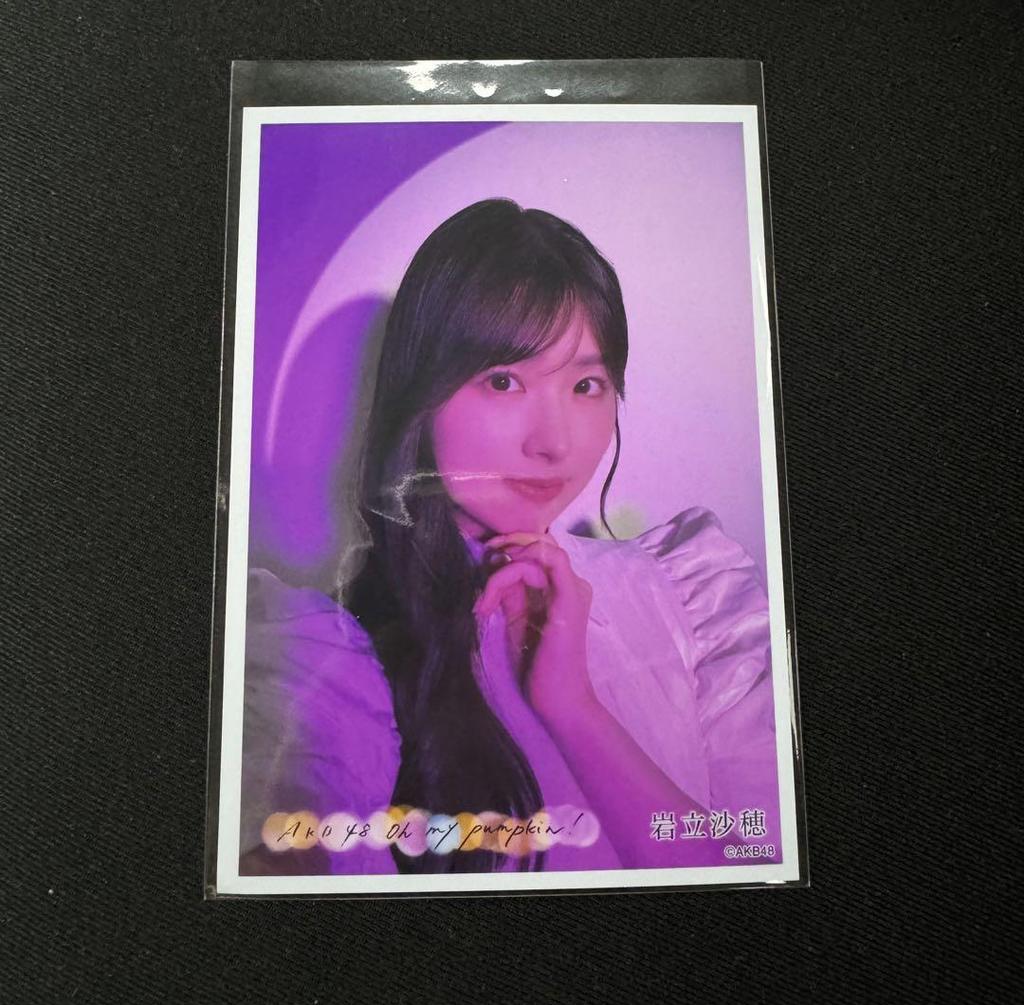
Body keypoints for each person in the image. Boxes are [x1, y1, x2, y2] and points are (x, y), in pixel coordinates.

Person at [238, 198, 779, 876]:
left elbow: (761, 875)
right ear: (420, 390)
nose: (554, 443)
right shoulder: (333, 659)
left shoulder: (690, 598)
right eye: (503, 381)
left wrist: (574, 708)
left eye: (586, 385)